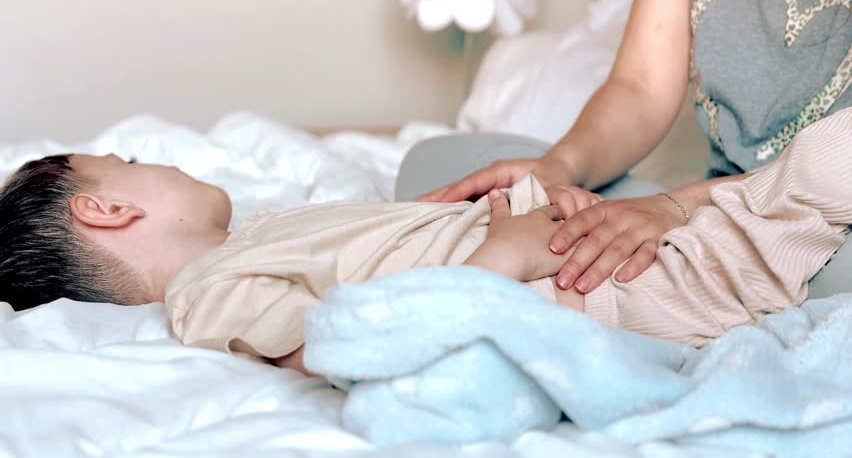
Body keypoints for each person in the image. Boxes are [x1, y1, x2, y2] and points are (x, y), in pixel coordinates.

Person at [1, 103, 850, 377]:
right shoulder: (204, 293)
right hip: (604, 284)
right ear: (104, 211)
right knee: (812, 171)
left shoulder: (254, 239)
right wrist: (508, 253)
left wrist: (531, 210)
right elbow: (350, 345)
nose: (155, 161)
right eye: (131, 163)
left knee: (766, 192)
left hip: (576, 242)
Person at [403, 0, 852, 300]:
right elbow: (641, 86)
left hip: (827, 219)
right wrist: (559, 168)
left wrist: (677, 207)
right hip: (714, 208)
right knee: (436, 171)